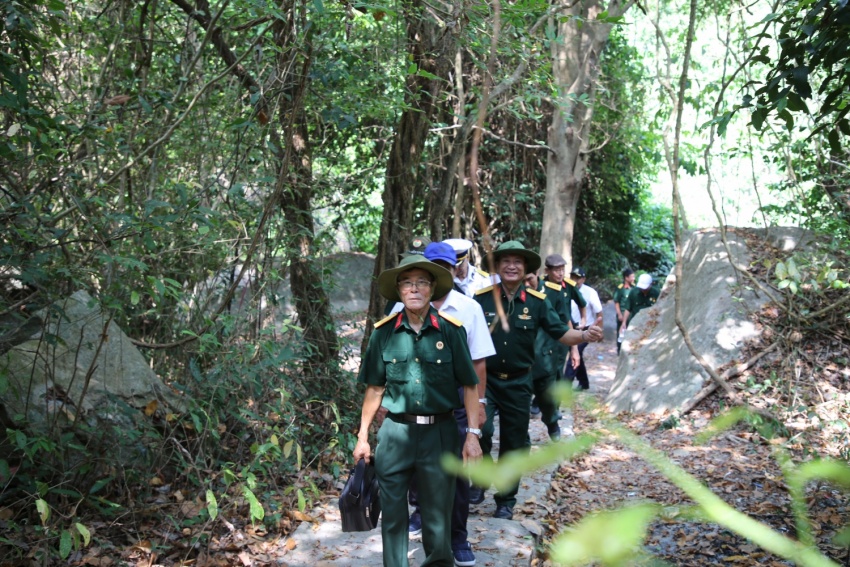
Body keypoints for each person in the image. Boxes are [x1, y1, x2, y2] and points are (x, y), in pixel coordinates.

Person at [354, 255, 484, 567]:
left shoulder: (451, 331)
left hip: (440, 433)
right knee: (394, 515)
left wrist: (473, 436)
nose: (414, 288)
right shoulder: (383, 333)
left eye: (422, 282)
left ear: (432, 289)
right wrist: (362, 437)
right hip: (395, 433)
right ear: (399, 290)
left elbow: (469, 384)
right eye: (407, 282)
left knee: (438, 514)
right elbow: (374, 389)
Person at [470, 241, 603, 520]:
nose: (511, 266)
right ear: (497, 267)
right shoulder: (480, 300)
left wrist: (584, 335)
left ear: (526, 269)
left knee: (514, 443)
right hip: (485, 382)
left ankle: (505, 499)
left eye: (517, 262)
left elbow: (561, 333)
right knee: (481, 432)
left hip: (520, 383)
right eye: (505, 261)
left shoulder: (537, 302)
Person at [388, 242, 495, 567]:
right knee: (416, 471)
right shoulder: (398, 309)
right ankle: (422, 514)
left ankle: (457, 538)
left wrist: (479, 405)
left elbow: (477, 365)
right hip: (412, 408)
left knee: (457, 473)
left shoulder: (467, 308)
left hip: (455, 407)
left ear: (451, 272)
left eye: (442, 268)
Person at [523, 270, 577, 440]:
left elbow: (564, 322)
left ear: (537, 274)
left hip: (545, 358)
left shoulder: (552, 292)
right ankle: (521, 439)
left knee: (547, 401)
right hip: (521, 362)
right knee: (518, 407)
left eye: (529, 279)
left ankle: (553, 427)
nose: (526, 284)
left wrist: (575, 346)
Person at [563, 266, 603, 391]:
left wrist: (599, 331)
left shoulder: (590, 292)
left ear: (583, 279)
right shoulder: (565, 290)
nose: (575, 280)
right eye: (573, 277)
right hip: (570, 327)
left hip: (585, 329)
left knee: (574, 354)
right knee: (576, 354)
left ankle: (565, 385)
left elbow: (599, 312)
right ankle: (584, 382)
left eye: (578, 278)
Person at [618, 273, 660, 337]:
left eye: (645, 288)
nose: (643, 290)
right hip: (635, 324)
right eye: (641, 288)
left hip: (649, 324)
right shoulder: (634, 292)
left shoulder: (656, 294)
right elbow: (628, 308)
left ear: (650, 285)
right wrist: (624, 323)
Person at [613, 268, 635, 354]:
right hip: (622, 313)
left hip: (631, 314)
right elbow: (616, 302)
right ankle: (620, 350)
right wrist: (619, 314)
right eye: (632, 276)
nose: (633, 278)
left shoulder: (634, 287)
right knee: (621, 333)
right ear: (626, 277)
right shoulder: (620, 288)